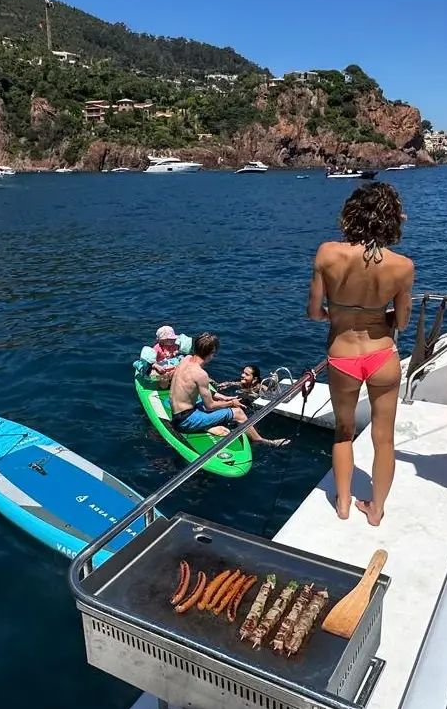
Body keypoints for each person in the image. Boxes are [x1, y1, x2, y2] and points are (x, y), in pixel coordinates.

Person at [307, 182, 414, 525]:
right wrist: (376, 318)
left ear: (352, 213)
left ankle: (342, 503)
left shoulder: (327, 253)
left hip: (342, 355)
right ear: (392, 219)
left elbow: (313, 312)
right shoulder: (403, 266)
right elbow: (402, 322)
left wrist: (336, 315)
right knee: (384, 439)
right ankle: (376, 510)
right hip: (382, 355)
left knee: (344, 431)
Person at [169, 333, 289, 446]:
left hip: (176, 416)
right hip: (186, 422)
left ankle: (208, 425)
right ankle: (262, 440)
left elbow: (192, 388)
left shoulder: (186, 359)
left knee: (217, 403)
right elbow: (210, 406)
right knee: (238, 413)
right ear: (211, 353)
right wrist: (231, 403)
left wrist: (225, 398)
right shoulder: (201, 374)